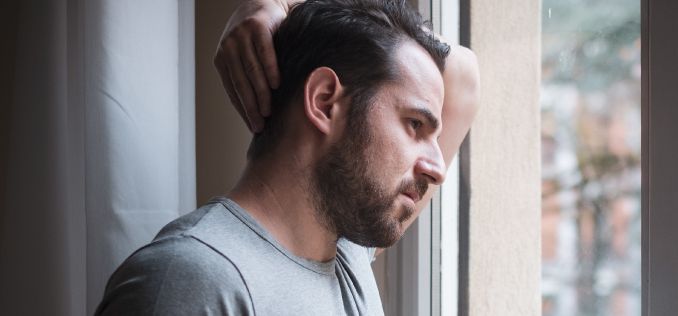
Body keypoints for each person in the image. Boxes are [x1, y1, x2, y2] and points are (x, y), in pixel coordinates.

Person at [95, 0, 479, 314]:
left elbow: (463, 73)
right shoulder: (193, 282)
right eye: (415, 124)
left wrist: (278, 5)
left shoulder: (346, 254)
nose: (437, 168)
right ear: (325, 102)